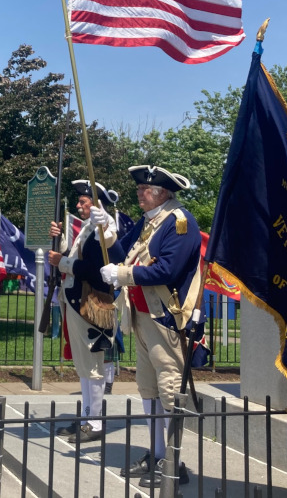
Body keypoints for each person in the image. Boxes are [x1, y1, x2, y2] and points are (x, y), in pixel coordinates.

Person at [101, 165, 202, 488]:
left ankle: (174, 462)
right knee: (148, 388)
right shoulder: (149, 222)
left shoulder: (179, 223)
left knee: (170, 389)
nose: (139, 193)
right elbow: (122, 254)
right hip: (141, 316)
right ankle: (157, 453)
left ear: (162, 192)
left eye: (145, 189)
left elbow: (167, 271)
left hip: (166, 317)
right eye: (140, 189)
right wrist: (108, 232)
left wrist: (123, 276)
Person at [48, 180, 124, 444]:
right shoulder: (87, 229)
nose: (79, 205)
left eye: (84, 201)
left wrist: (64, 262)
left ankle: (95, 422)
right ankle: (87, 417)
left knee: (93, 368)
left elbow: (97, 270)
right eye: (79, 201)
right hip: (76, 302)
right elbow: (76, 257)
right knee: (83, 367)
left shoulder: (104, 230)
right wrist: (59, 241)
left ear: (97, 203)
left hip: (91, 304)